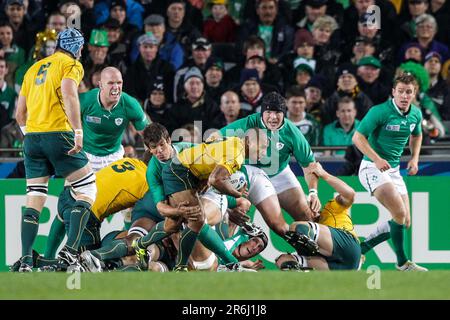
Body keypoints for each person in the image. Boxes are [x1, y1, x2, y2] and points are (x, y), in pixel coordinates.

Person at [133, 123, 269, 272]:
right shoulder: (153, 170)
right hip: (178, 176)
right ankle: (230, 264)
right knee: (193, 220)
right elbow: (214, 180)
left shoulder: (195, 146)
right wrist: (235, 193)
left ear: (169, 141)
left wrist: (206, 184)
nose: (264, 152)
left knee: (182, 223)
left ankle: (146, 246)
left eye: (162, 145)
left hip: (193, 181)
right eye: (262, 147)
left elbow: (208, 152)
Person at [15, 28, 97, 272]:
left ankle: (26, 260)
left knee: (34, 198)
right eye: (80, 47)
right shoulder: (71, 64)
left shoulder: (33, 68)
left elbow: (20, 113)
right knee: (87, 188)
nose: (81, 52)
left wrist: (31, 138)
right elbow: (69, 92)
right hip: (59, 134)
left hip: (32, 137)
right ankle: (71, 252)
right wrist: (78, 132)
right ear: (74, 47)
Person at [352, 73, 428, 271]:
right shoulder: (379, 112)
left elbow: (417, 135)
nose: (404, 96)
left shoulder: (416, 114)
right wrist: (376, 159)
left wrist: (414, 158)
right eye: (400, 91)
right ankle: (402, 263)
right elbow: (358, 138)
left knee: (405, 220)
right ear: (393, 92)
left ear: (414, 94)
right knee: (399, 213)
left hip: (393, 170)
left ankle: (359, 250)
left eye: (408, 92)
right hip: (371, 167)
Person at [211, 92, 321, 222]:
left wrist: (313, 192)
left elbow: (309, 166)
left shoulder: (292, 133)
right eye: (268, 112)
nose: (273, 117)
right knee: (236, 215)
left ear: (284, 114)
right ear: (262, 113)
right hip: (247, 174)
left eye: (277, 113)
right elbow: (213, 138)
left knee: (307, 216)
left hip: (279, 174)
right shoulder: (248, 123)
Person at [277, 162, 361, 270]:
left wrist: (324, 174)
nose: (310, 208)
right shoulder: (302, 236)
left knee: (296, 227)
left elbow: (350, 194)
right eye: (307, 206)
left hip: (348, 245)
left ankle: (310, 253)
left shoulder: (331, 209)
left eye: (310, 204)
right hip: (340, 265)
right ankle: (301, 273)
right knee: (282, 260)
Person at [79, 66, 149, 172]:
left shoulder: (130, 104)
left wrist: (150, 166)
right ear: (101, 85)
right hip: (86, 157)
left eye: (119, 83)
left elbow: (148, 136)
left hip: (115, 158)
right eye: (111, 83)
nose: (116, 87)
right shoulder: (85, 100)